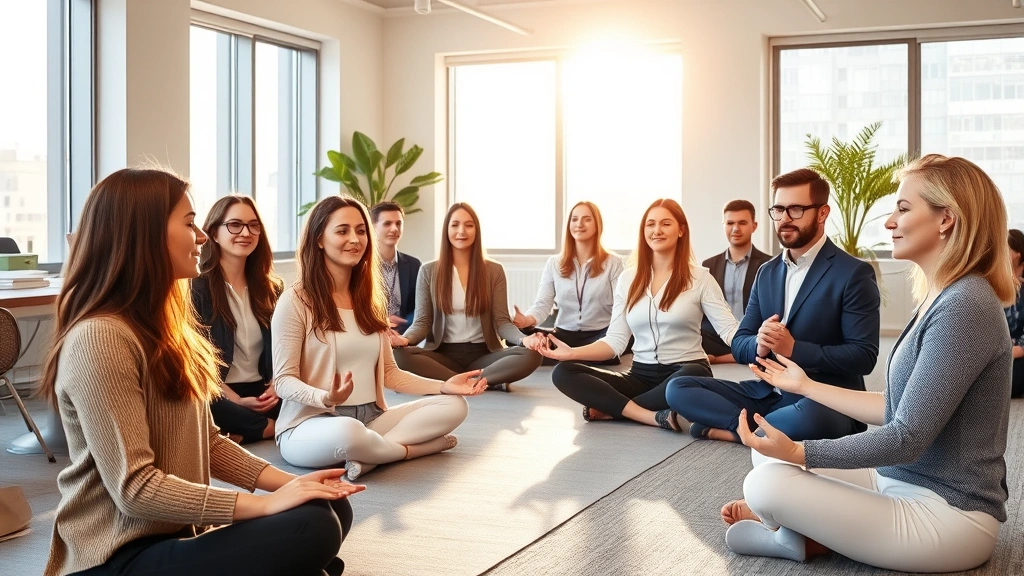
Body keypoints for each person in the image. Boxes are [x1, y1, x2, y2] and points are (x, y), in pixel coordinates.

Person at [40, 168, 362, 576]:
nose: (203, 237)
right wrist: (264, 505)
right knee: (311, 528)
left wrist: (291, 484)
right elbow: (135, 490)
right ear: (146, 233)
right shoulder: (100, 337)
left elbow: (206, 443)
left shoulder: (167, 329)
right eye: (190, 223)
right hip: (118, 555)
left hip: (179, 536)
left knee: (329, 504)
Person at [721, 154, 1013, 573]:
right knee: (767, 460)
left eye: (903, 208)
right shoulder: (941, 296)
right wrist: (805, 385)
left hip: (947, 516)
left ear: (946, 219)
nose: (890, 221)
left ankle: (799, 532)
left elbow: (905, 436)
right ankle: (804, 536)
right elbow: (896, 407)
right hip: (899, 480)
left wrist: (802, 452)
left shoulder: (965, 305)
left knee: (767, 481)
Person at [274, 196, 488, 482]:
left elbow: (390, 374)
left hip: (372, 419)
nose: (354, 239)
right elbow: (283, 380)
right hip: (312, 424)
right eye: (342, 231)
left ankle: (372, 455)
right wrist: (323, 396)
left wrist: (444, 385)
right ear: (319, 240)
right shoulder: (296, 300)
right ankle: (406, 450)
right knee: (349, 432)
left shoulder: (370, 300)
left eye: (361, 230)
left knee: (454, 404)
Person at [666, 168, 880, 443]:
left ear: (823, 213)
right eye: (779, 210)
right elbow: (740, 342)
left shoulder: (853, 273)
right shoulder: (766, 272)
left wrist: (794, 349)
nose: (785, 220)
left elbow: (863, 357)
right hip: (769, 394)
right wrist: (760, 343)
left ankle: (738, 430)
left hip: (822, 400)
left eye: (796, 210)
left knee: (809, 418)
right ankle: (754, 432)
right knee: (678, 388)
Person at [537, 199, 738, 430]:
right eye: (650, 224)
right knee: (563, 372)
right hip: (640, 375)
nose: (656, 230)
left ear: (681, 230)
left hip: (686, 370)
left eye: (665, 224)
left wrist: (758, 343)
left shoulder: (701, 278)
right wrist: (571, 353)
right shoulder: (628, 279)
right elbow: (615, 342)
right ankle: (650, 416)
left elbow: (729, 330)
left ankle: (614, 410)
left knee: (685, 382)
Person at [392, 203, 545, 392]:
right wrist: (404, 340)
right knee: (399, 356)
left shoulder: (493, 271)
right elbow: (422, 323)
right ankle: (483, 380)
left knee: (533, 355)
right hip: (442, 356)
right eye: (455, 225)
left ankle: (462, 381)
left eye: (469, 225)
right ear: (446, 230)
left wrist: (524, 340)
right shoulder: (428, 271)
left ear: (476, 230)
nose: (461, 231)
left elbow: (503, 322)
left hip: (484, 355)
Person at [192, 196, 283, 444]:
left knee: (304, 395)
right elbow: (197, 361)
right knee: (197, 403)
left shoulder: (271, 289)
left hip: (264, 391)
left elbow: (286, 347)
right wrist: (236, 400)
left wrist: (277, 385)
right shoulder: (196, 288)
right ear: (214, 233)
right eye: (235, 225)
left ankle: (243, 433)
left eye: (253, 225)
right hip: (219, 392)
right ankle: (273, 429)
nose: (246, 232)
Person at [512, 201, 625, 365]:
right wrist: (526, 320)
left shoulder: (614, 264)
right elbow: (543, 304)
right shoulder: (554, 263)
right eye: (574, 219)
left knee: (616, 345)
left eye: (587, 219)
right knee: (517, 338)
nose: (579, 224)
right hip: (563, 334)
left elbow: (619, 309)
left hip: (599, 335)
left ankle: (577, 355)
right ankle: (571, 355)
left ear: (597, 225)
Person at [700, 200, 771, 364]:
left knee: (768, 340)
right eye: (730, 223)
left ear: (754, 226)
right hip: (718, 338)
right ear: (724, 225)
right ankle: (737, 355)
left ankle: (719, 359)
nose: (736, 228)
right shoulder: (708, 266)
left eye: (742, 223)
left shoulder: (769, 266)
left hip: (752, 336)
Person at [370, 201, 422, 329]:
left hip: (404, 336)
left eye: (398, 223)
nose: (394, 229)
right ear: (373, 227)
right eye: (387, 223)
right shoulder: (361, 266)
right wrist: (382, 320)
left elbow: (421, 307)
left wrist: (403, 323)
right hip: (371, 335)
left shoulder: (414, 265)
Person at [1004, 229, 1024, 398]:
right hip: (1003, 349)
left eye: (1006, 248)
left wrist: (1014, 350)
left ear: (1017, 253)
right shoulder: (998, 281)